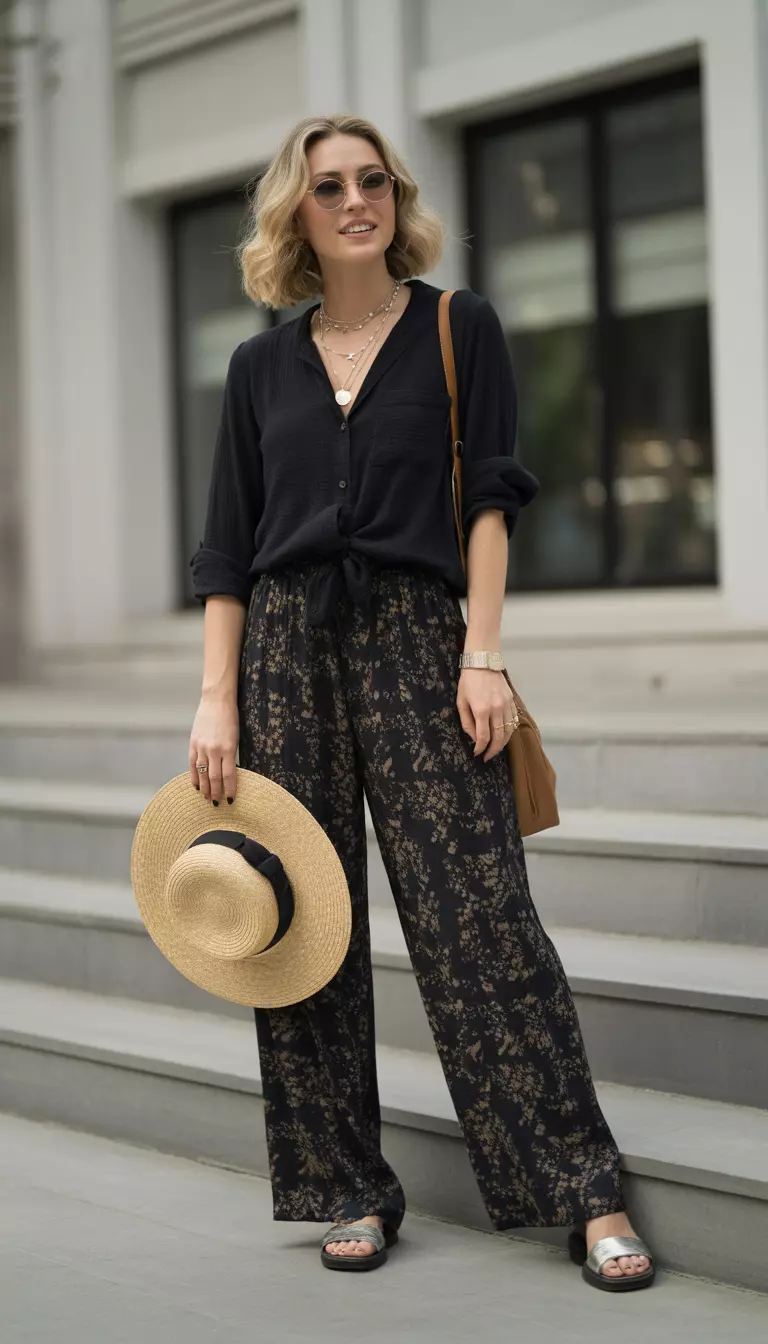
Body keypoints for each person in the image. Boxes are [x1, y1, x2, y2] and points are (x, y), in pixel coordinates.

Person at [188, 113, 654, 1290]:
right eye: (331, 185)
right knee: (298, 931)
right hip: (283, 652)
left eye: (376, 181)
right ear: (297, 210)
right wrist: (214, 702)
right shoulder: (259, 368)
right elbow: (228, 553)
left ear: (397, 198)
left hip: (415, 636)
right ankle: (344, 1183)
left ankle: (582, 1188)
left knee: (482, 920)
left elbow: (490, 498)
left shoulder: (459, 325)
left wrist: (482, 653)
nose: (358, 200)